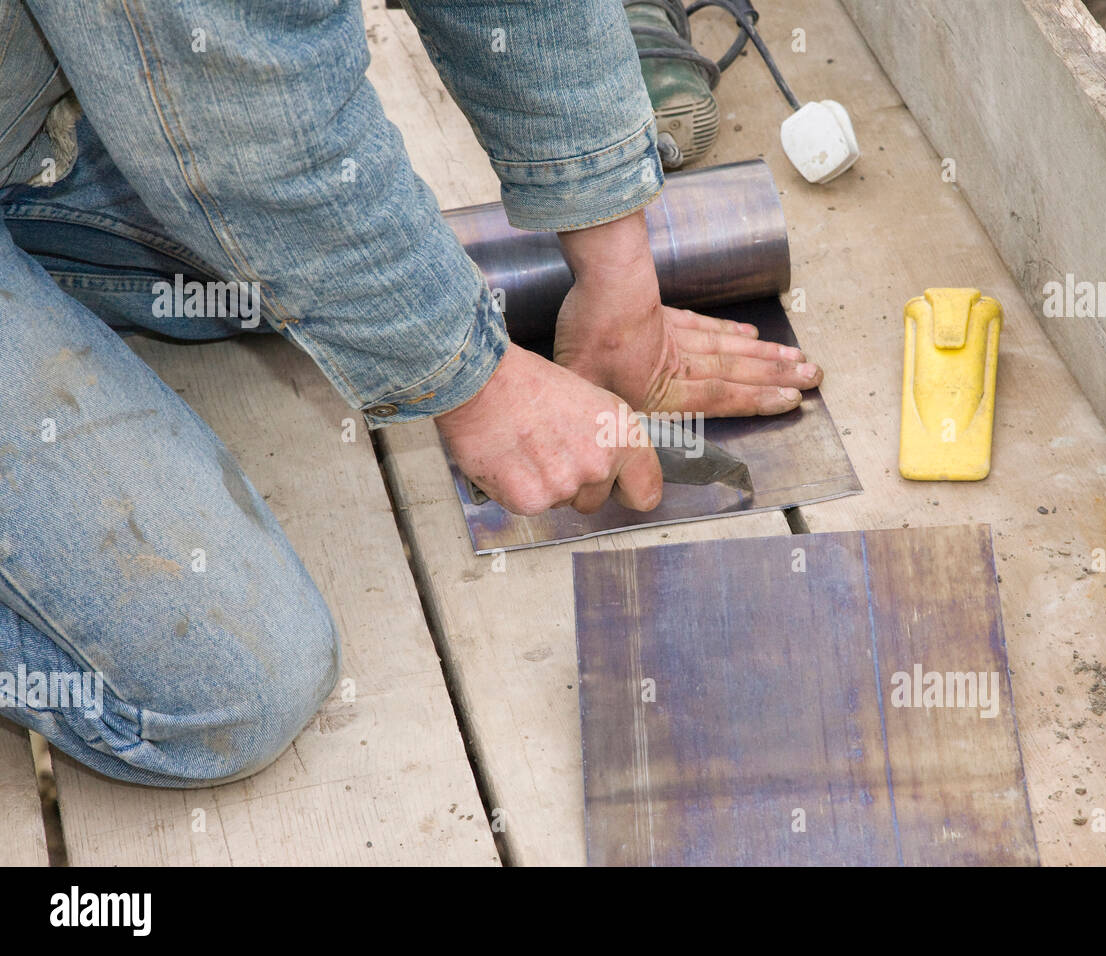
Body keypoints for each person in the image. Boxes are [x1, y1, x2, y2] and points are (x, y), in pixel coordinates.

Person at [0, 0, 822, 787]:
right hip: (142, 71)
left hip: (34, 100)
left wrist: (616, 270)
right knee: (229, 691)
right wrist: (476, 383)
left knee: (312, 278)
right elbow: (246, 123)